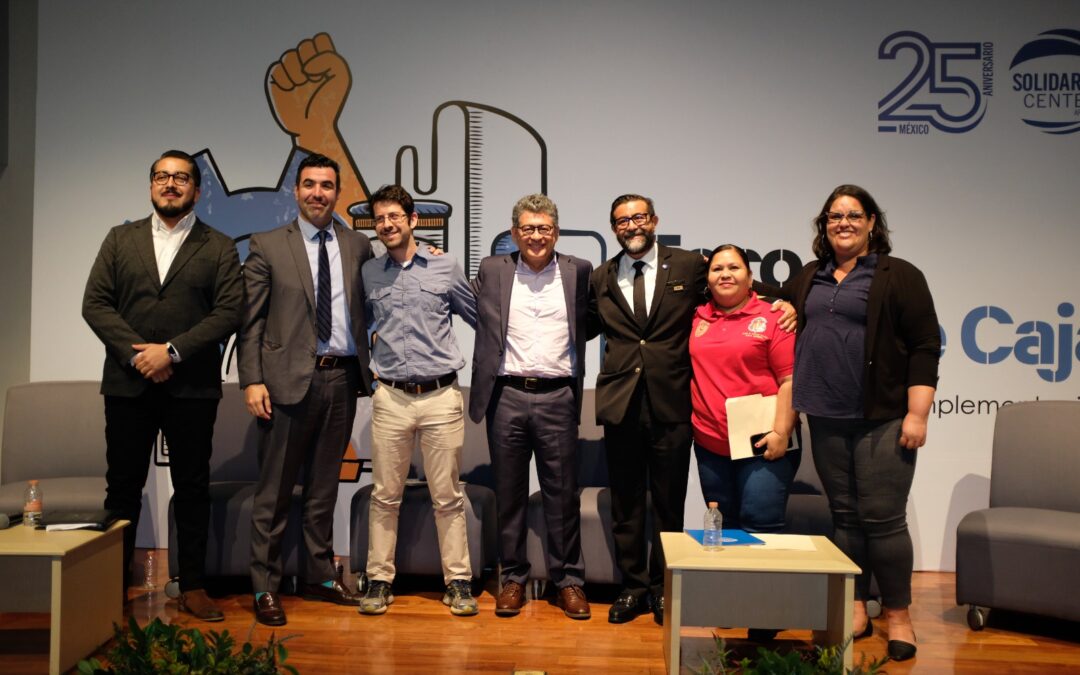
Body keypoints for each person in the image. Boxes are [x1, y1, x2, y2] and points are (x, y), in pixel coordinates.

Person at [82, 150, 243, 621]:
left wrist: (170, 352)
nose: (170, 184)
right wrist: (139, 354)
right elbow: (95, 304)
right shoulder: (119, 238)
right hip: (127, 385)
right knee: (122, 489)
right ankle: (110, 589)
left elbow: (228, 312)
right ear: (151, 184)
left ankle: (192, 585)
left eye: (181, 178)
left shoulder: (219, 246)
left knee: (191, 487)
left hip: (190, 386)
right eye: (162, 177)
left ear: (196, 189)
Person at [784, 184, 939, 661]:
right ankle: (854, 604)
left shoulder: (899, 275)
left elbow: (924, 347)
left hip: (883, 418)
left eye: (853, 215)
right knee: (846, 518)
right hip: (826, 416)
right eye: (834, 216)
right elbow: (788, 312)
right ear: (823, 225)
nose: (843, 223)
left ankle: (898, 615)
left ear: (872, 222)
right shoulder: (812, 274)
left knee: (885, 522)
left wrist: (916, 414)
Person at [238, 153, 373, 626]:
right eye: (310, 184)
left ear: (338, 193)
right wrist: (252, 378)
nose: (319, 193)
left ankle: (318, 575)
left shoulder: (358, 246)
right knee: (273, 493)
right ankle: (266, 587)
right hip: (284, 382)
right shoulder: (269, 244)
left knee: (322, 489)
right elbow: (250, 320)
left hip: (342, 379)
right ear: (295, 191)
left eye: (327, 185)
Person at [357, 185, 479, 617]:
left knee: (447, 495)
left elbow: (479, 315)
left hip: (441, 396)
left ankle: (459, 581)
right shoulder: (370, 273)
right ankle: (378, 580)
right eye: (380, 219)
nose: (387, 224)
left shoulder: (445, 265)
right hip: (390, 397)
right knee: (384, 495)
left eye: (395, 216)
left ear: (412, 220)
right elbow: (357, 328)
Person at [470, 194, 593, 620]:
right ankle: (513, 578)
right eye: (528, 228)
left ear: (556, 232)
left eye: (544, 228)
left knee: (562, 495)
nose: (536, 236)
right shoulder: (491, 270)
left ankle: (569, 582)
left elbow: (593, 320)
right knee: (510, 494)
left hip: (558, 395)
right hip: (505, 395)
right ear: (514, 233)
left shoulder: (579, 271)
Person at [689, 244, 799, 641]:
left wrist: (782, 432)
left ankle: (768, 613)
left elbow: (790, 380)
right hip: (710, 442)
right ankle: (736, 602)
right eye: (717, 268)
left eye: (734, 267)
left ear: (750, 276)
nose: (725, 274)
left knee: (762, 525)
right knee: (728, 528)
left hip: (763, 441)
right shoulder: (697, 316)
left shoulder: (773, 317)